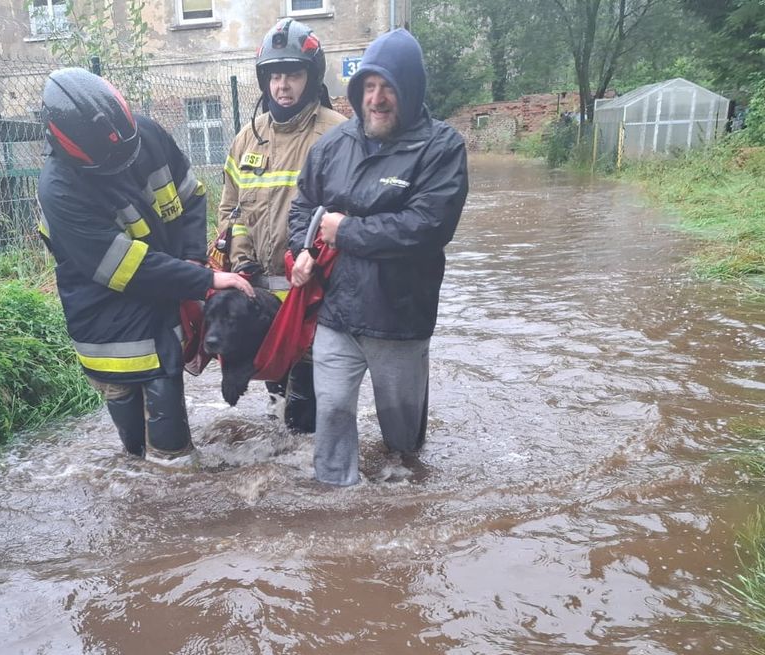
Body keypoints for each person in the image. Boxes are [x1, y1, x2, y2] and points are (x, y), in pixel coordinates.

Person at [36, 68, 254, 464]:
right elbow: (127, 267)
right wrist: (204, 279)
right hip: (107, 322)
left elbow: (191, 198)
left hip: (161, 302)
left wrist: (191, 259)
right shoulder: (60, 189)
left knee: (171, 458)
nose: (124, 164)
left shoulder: (144, 137)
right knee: (135, 457)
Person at [288, 29, 468, 486]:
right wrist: (302, 250)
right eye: (368, 86)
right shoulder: (333, 144)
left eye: (388, 87)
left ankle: (405, 513)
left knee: (403, 446)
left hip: (400, 319)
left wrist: (346, 231)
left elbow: (426, 228)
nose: (377, 98)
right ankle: (336, 514)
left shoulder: (442, 148)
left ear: (410, 91)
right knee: (330, 416)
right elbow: (304, 205)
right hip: (337, 314)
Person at [217, 18, 345, 434]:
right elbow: (230, 210)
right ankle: (283, 468)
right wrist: (239, 262)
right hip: (263, 292)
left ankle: (308, 475)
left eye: (292, 74)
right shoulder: (246, 139)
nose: (282, 85)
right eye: (274, 75)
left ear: (310, 76)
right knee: (276, 392)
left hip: (316, 292)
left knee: (304, 407)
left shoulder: (337, 133)